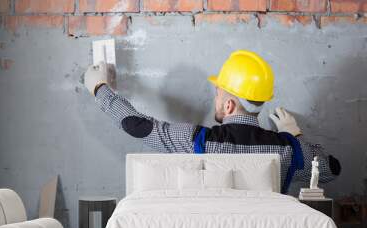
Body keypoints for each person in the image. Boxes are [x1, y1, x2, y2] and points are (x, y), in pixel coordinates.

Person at [84, 50, 341, 193]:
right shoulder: (287, 149)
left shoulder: (197, 141)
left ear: (229, 105)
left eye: (218, 92)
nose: (215, 97)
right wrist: (294, 135)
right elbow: (331, 169)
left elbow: (136, 125)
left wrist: (99, 87)